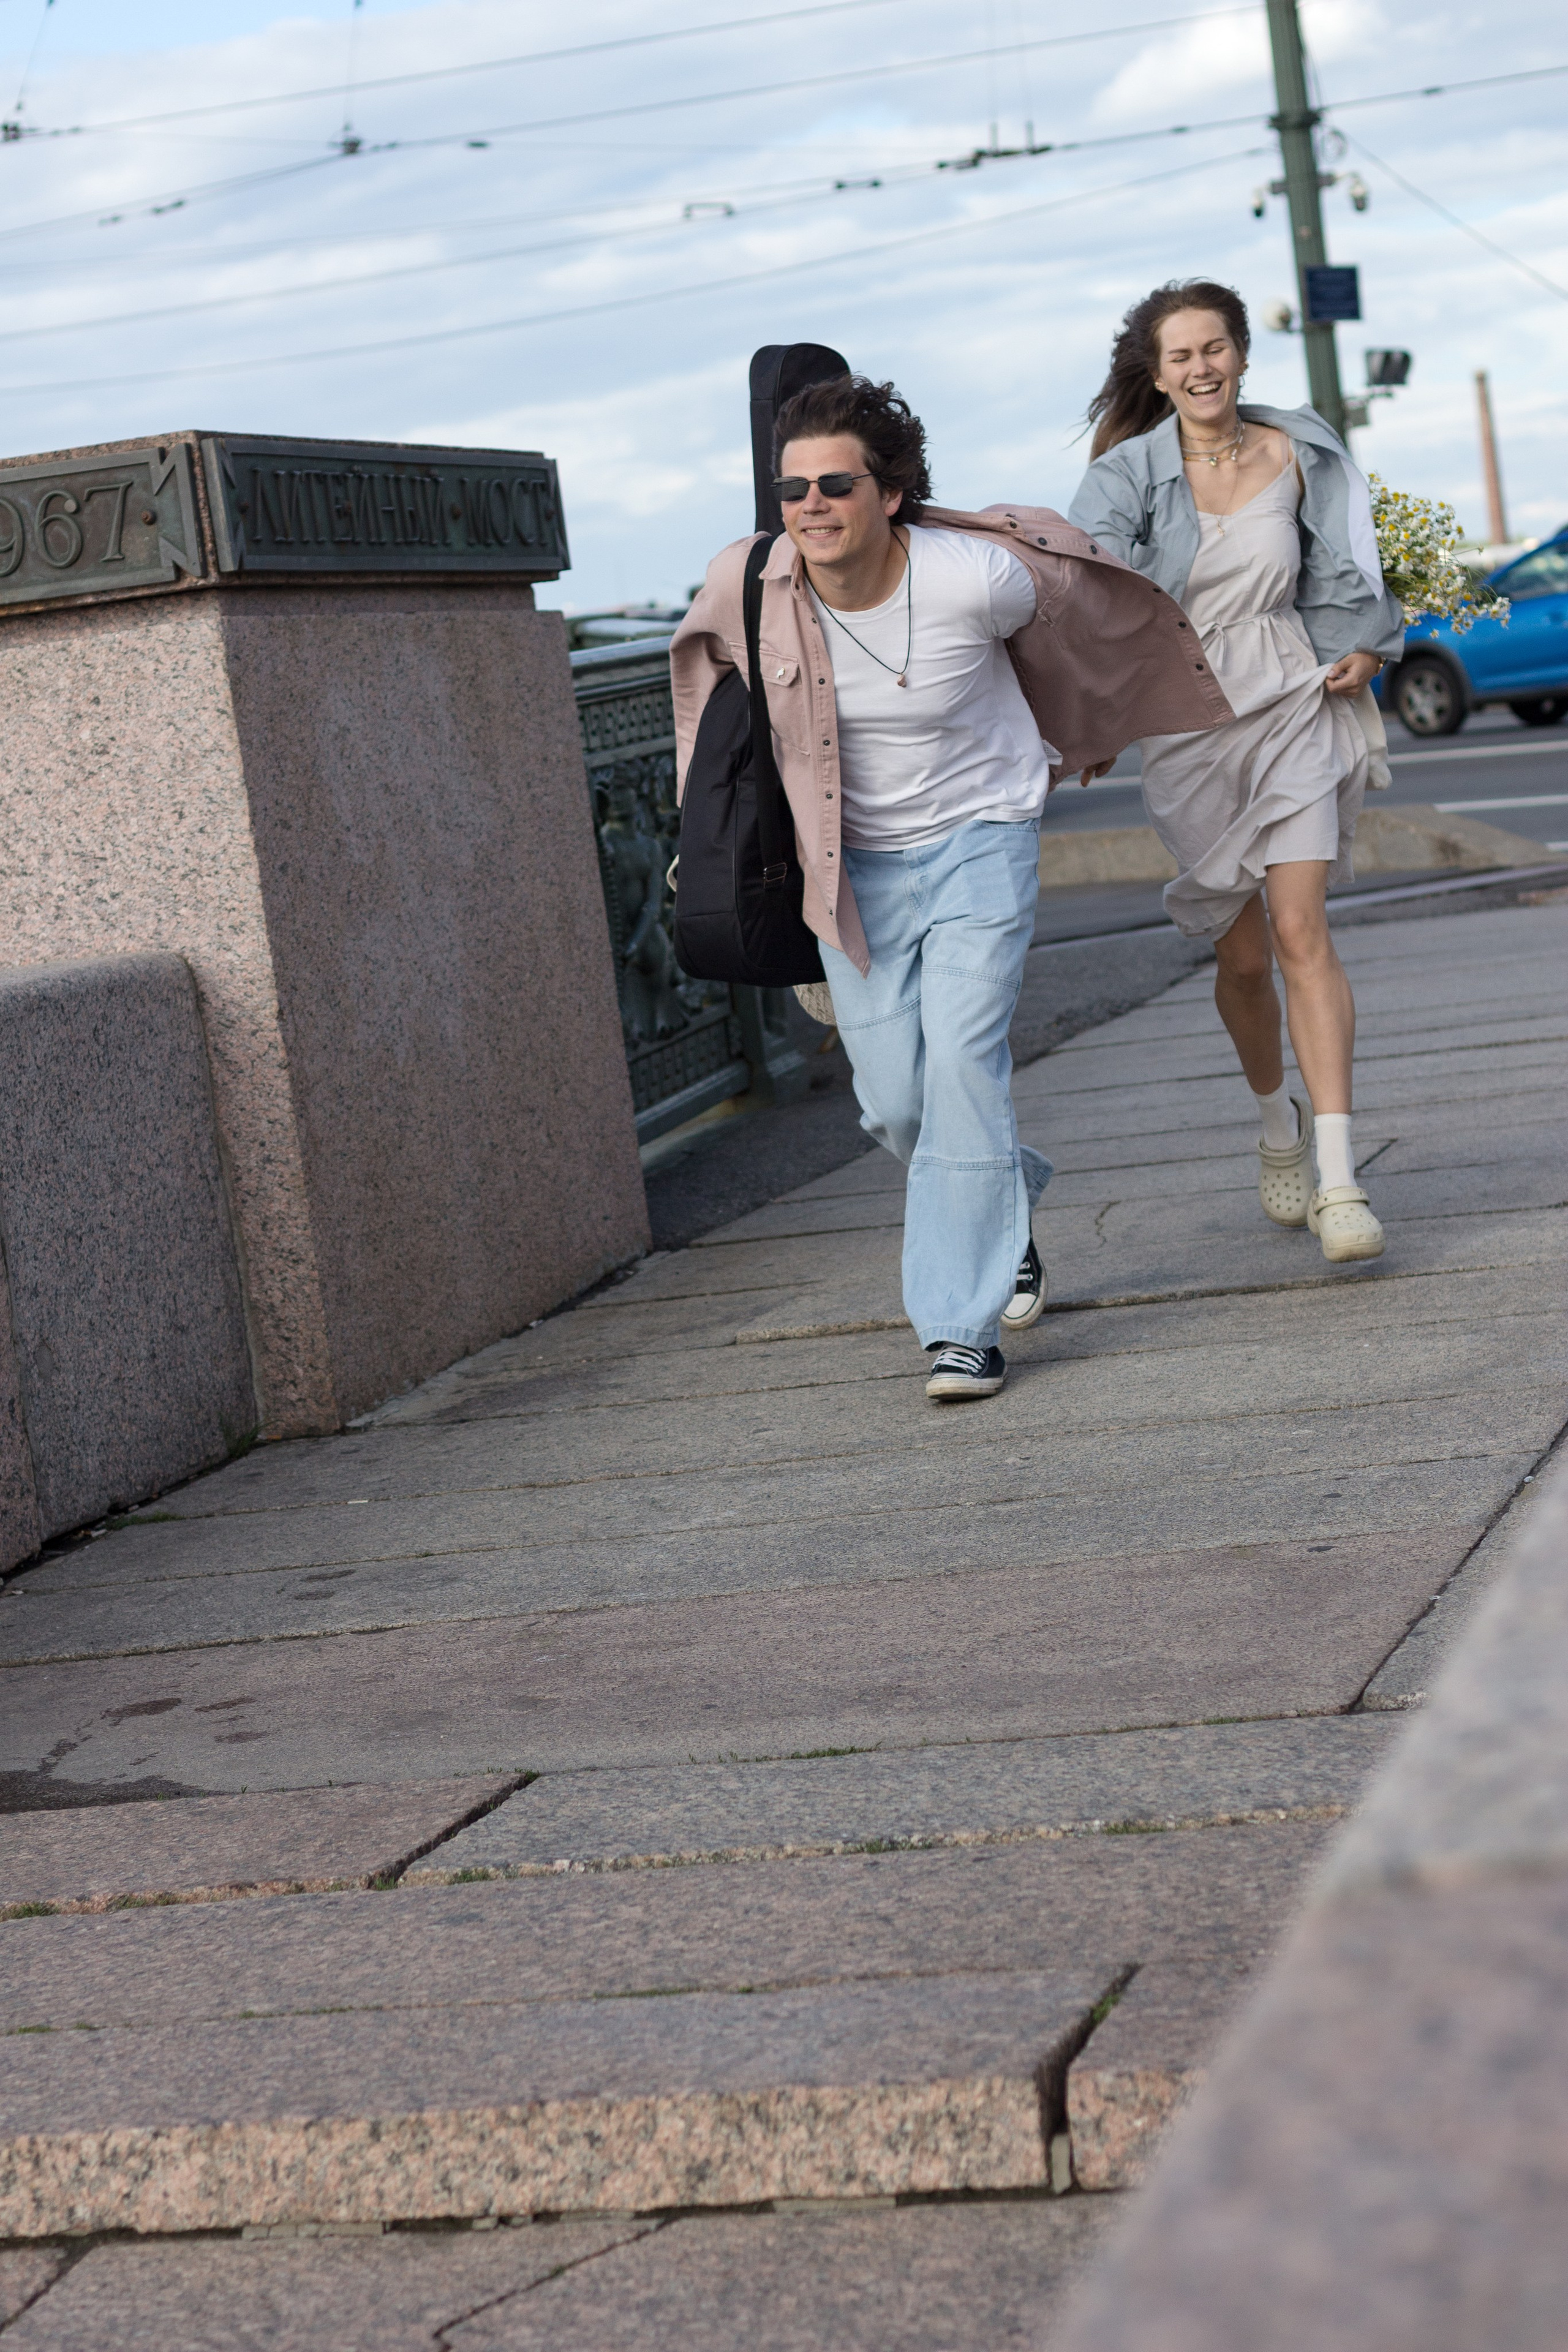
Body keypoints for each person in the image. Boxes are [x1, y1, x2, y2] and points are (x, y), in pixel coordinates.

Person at [671, 374, 1229, 1400]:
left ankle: (959, 1328)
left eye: (836, 485)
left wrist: (1086, 729)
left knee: (966, 1064)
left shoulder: (977, 578)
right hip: (849, 868)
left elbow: (1076, 629)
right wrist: (702, 830)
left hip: (982, 837)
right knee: (894, 1106)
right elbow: (700, 686)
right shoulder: (748, 585)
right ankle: (1001, 1197)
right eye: (792, 489)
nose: (810, 507)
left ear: (891, 493)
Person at [1069, 279, 1404, 1263]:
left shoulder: (1300, 450)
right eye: (1180, 356)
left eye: (1214, 348)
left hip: (1294, 693)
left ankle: (1340, 1180)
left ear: (1243, 354)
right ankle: (1277, 1125)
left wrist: (1366, 644)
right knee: (1244, 958)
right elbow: (1088, 603)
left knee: (1302, 930)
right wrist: (1094, 718)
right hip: (1186, 718)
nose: (1201, 368)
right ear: (1157, 373)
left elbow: (1350, 563)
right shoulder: (1125, 477)